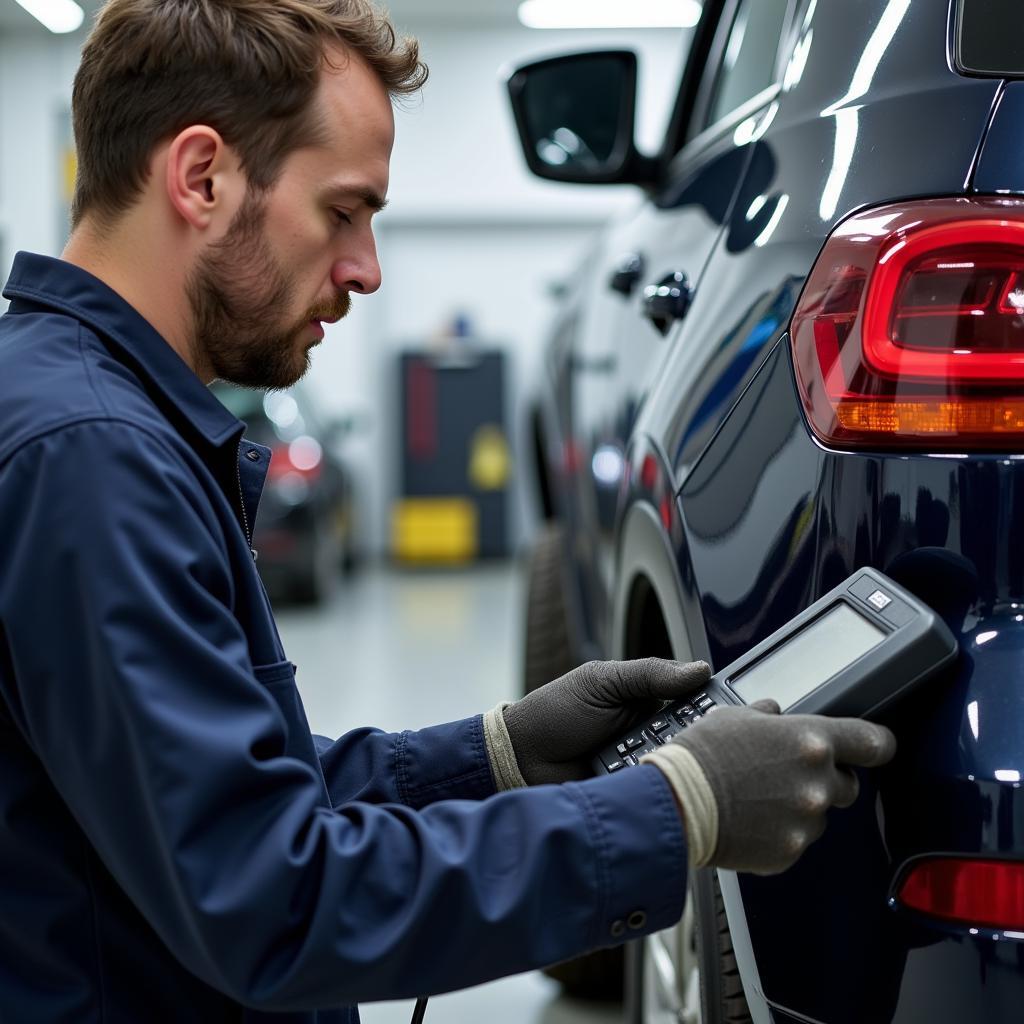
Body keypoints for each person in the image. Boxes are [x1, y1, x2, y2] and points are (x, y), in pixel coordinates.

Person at [0, 1, 897, 1020]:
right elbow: (274, 897)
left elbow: (228, 796)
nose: (366, 269)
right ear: (200, 177)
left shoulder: (86, 419)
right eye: (343, 211)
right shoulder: (89, 458)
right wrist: (675, 806)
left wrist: (494, 752)